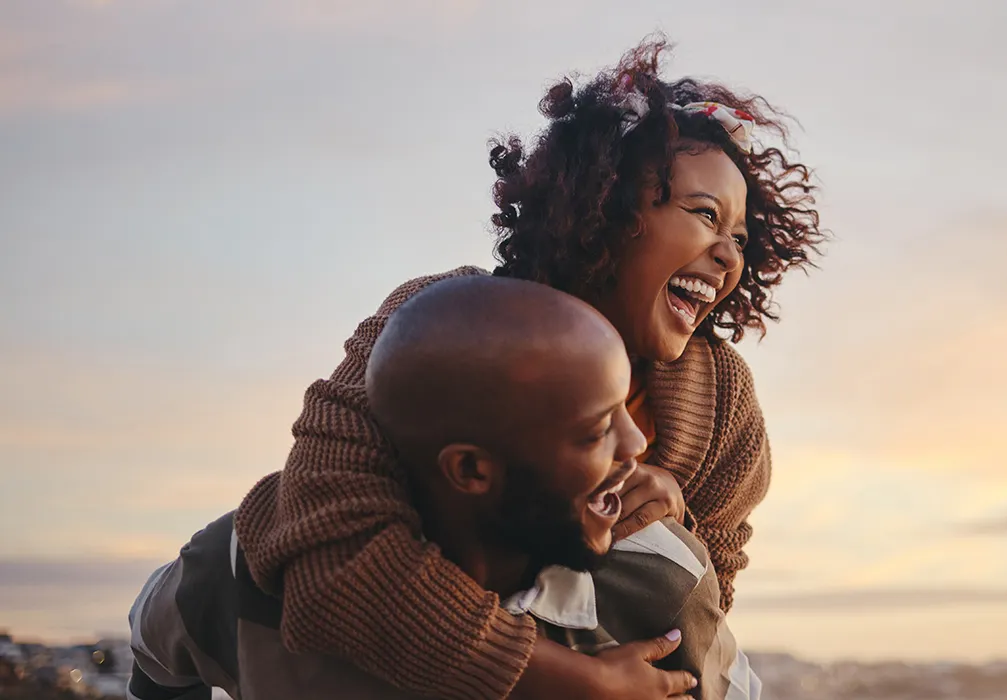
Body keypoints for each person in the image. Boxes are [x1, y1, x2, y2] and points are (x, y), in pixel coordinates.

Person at [234, 35, 824, 700]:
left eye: (740, 238)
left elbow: (700, 609)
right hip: (360, 655)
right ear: (607, 208)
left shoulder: (722, 402)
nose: (728, 256)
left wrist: (675, 523)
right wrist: (561, 680)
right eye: (703, 215)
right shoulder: (441, 325)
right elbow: (331, 561)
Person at [127, 277, 757, 699]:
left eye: (629, 407)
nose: (638, 446)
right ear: (472, 470)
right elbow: (154, 650)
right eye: (596, 432)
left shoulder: (662, 586)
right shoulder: (240, 567)